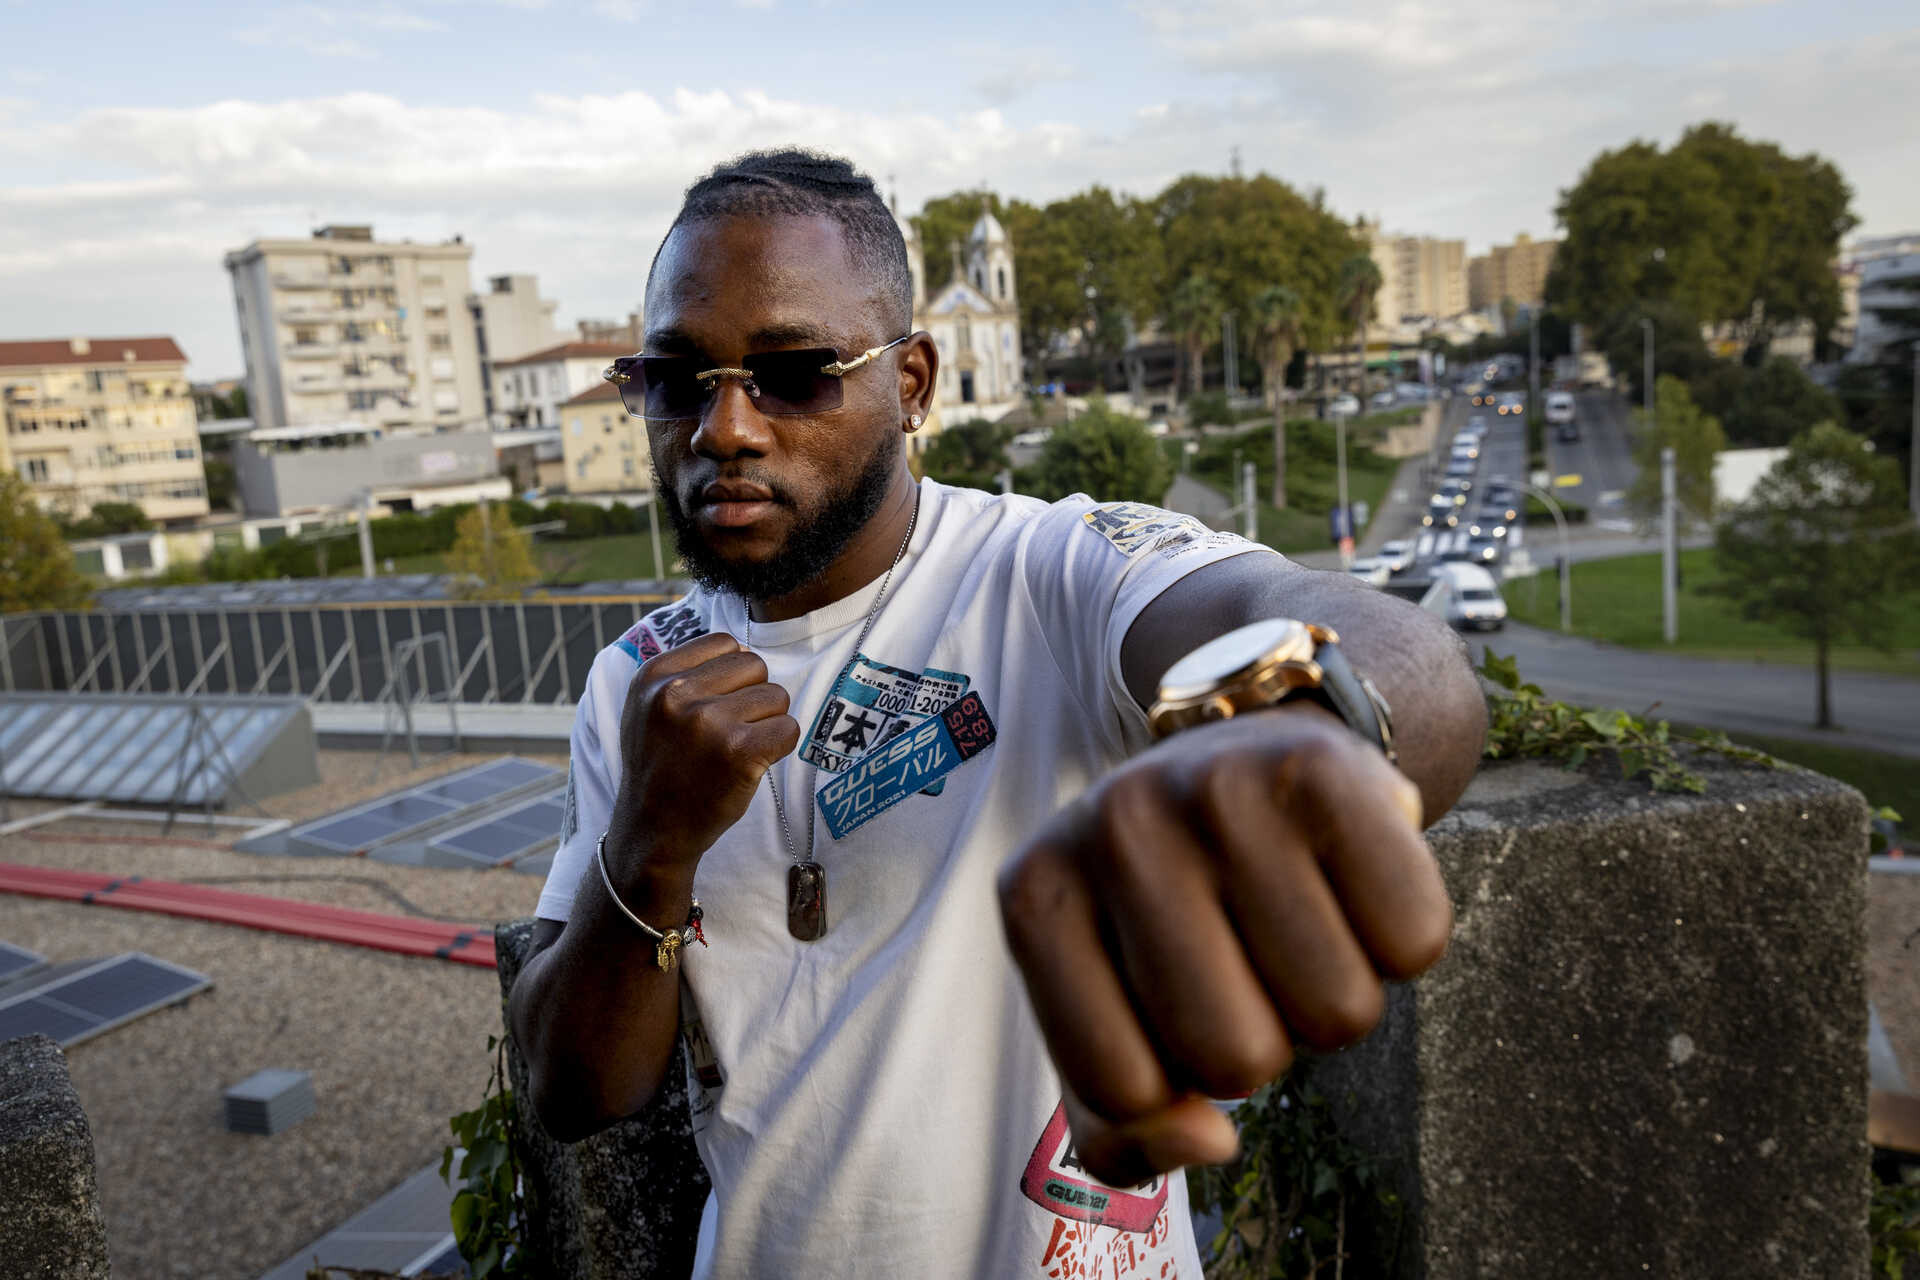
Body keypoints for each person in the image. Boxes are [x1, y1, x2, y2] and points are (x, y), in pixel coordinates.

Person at [509, 149, 1486, 1279]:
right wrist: (651, 842)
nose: (726, 426)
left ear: (913, 382)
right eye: (680, 379)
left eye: (795, 371)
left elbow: (1381, 644)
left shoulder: (1053, 570)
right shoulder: (637, 680)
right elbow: (577, 1087)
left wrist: (1296, 749)